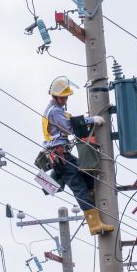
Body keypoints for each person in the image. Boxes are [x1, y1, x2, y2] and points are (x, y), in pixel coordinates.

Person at [41, 76, 113, 236]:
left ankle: (92, 205)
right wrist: (90, 120)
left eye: (66, 96)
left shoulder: (56, 110)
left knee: (87, 174)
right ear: (56, 96)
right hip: (60, 157)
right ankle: (94, 224)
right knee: (79, 188)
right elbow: (68, 129)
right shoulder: (55, 112)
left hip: (62, 155)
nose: (66, 98)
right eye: (63, 96)